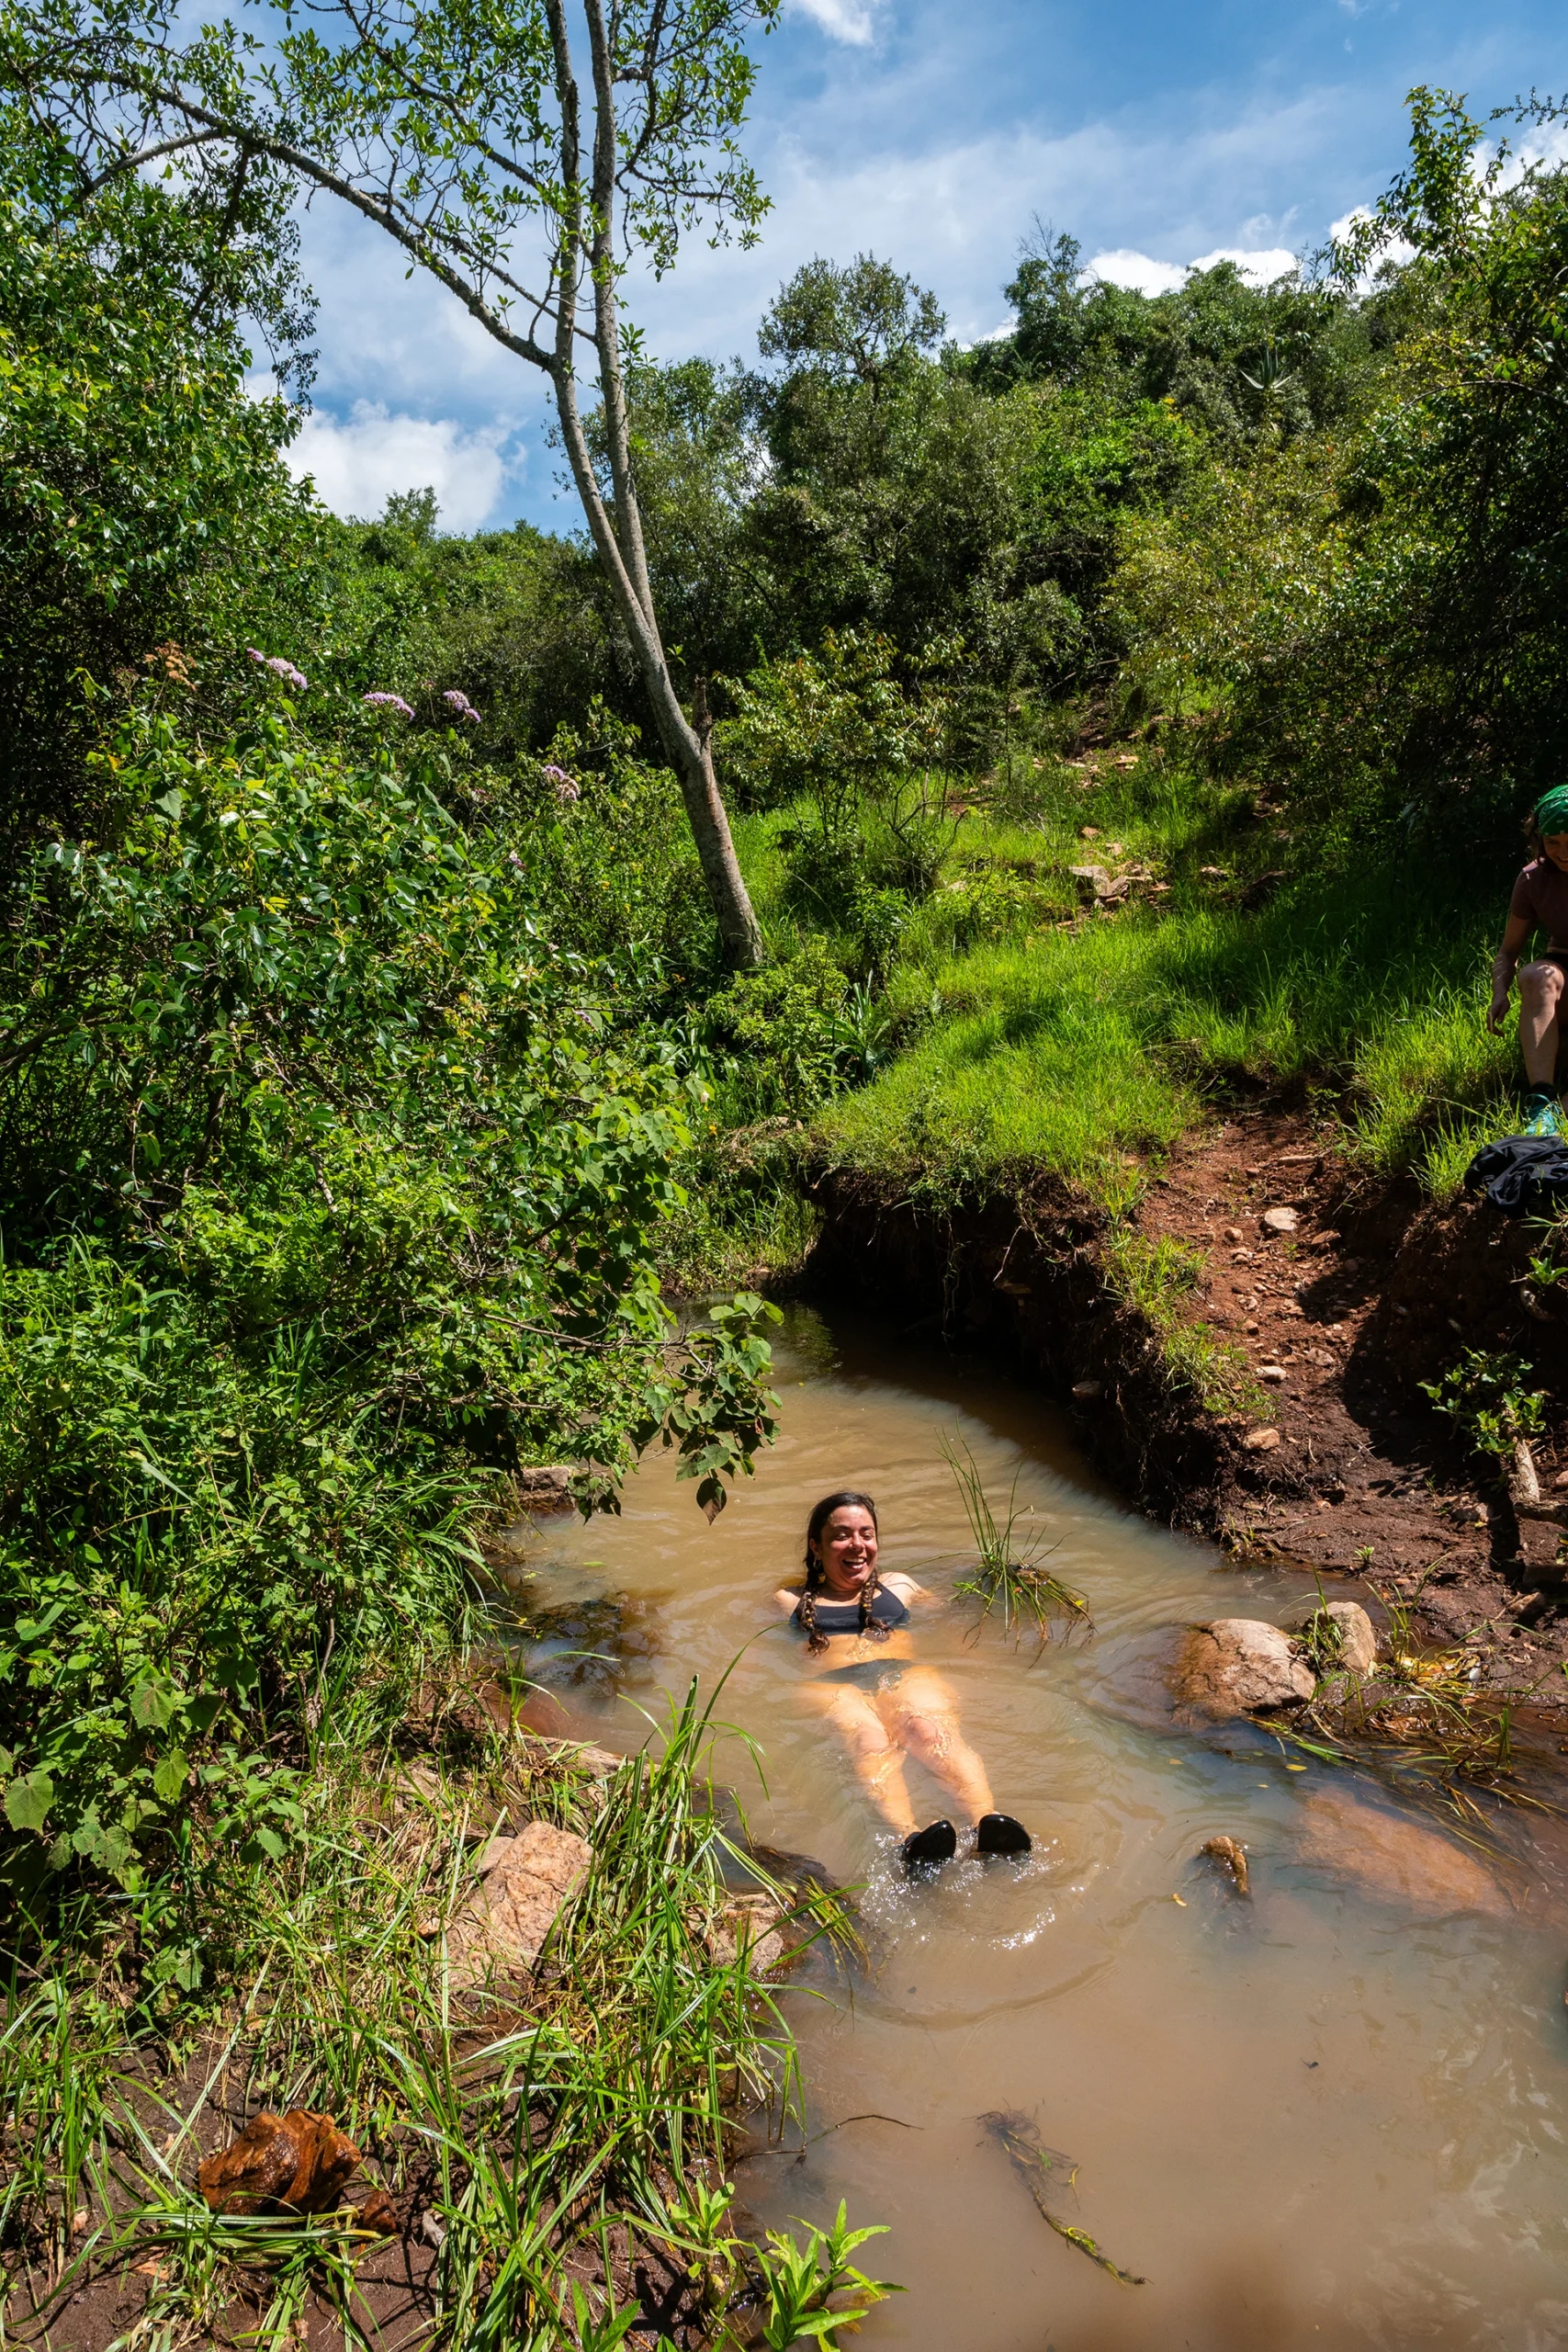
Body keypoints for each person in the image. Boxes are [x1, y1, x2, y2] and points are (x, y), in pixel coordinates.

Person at [774, 1489, 1032, 1875]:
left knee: (929, 1730)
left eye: (866, 1534)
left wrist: (1001, 1586)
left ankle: (987, 1824)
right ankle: (909, 1839)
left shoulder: (899, 1585)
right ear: (816, 1546)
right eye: (842, 1535)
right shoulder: (789, 1599)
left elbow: (954, 1615)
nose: (857, 1545)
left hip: (903, 1674)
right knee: (869, 1739)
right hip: (832, 1684)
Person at [1489, 786, 1568, 1137]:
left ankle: (1558, 1115)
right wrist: (1499, 992)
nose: (1563, 852)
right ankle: (1541, 1101)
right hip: (1564, 973)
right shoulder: (1533, 878)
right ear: (1540, 841)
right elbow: (1508, 951)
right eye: (1553, 842)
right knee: (1536, 976)